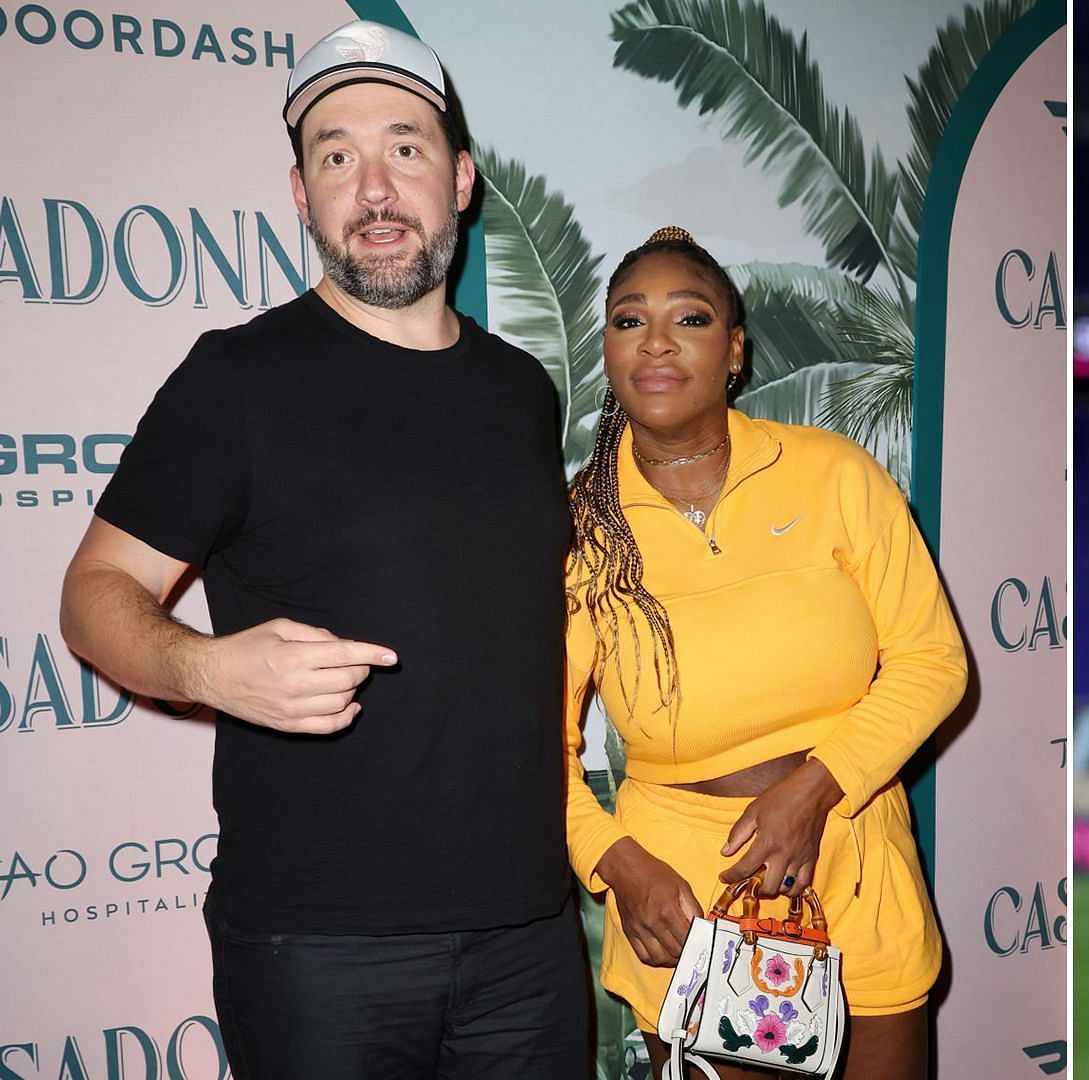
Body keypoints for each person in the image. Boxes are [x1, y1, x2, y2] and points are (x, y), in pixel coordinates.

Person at [58, 21, 587, 1079]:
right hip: (317, 948)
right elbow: (94, 594)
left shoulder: (522, 389)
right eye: (336, 157)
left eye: (406, 146)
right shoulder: (235, 381)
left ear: (463, 178)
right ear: (302, 196)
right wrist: (206, 667)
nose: (375, 187)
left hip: (529, 932)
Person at [561, 227, 967, 1078]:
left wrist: (814, 791)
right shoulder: (579, 530)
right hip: (687, 903)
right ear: (608, 350)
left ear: (735, 351)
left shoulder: (834, 474)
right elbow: (532, 747)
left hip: (857, 861)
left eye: (691, 318)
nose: (658, 341)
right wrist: (616, 865)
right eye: (630, 321)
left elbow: (933, 660)